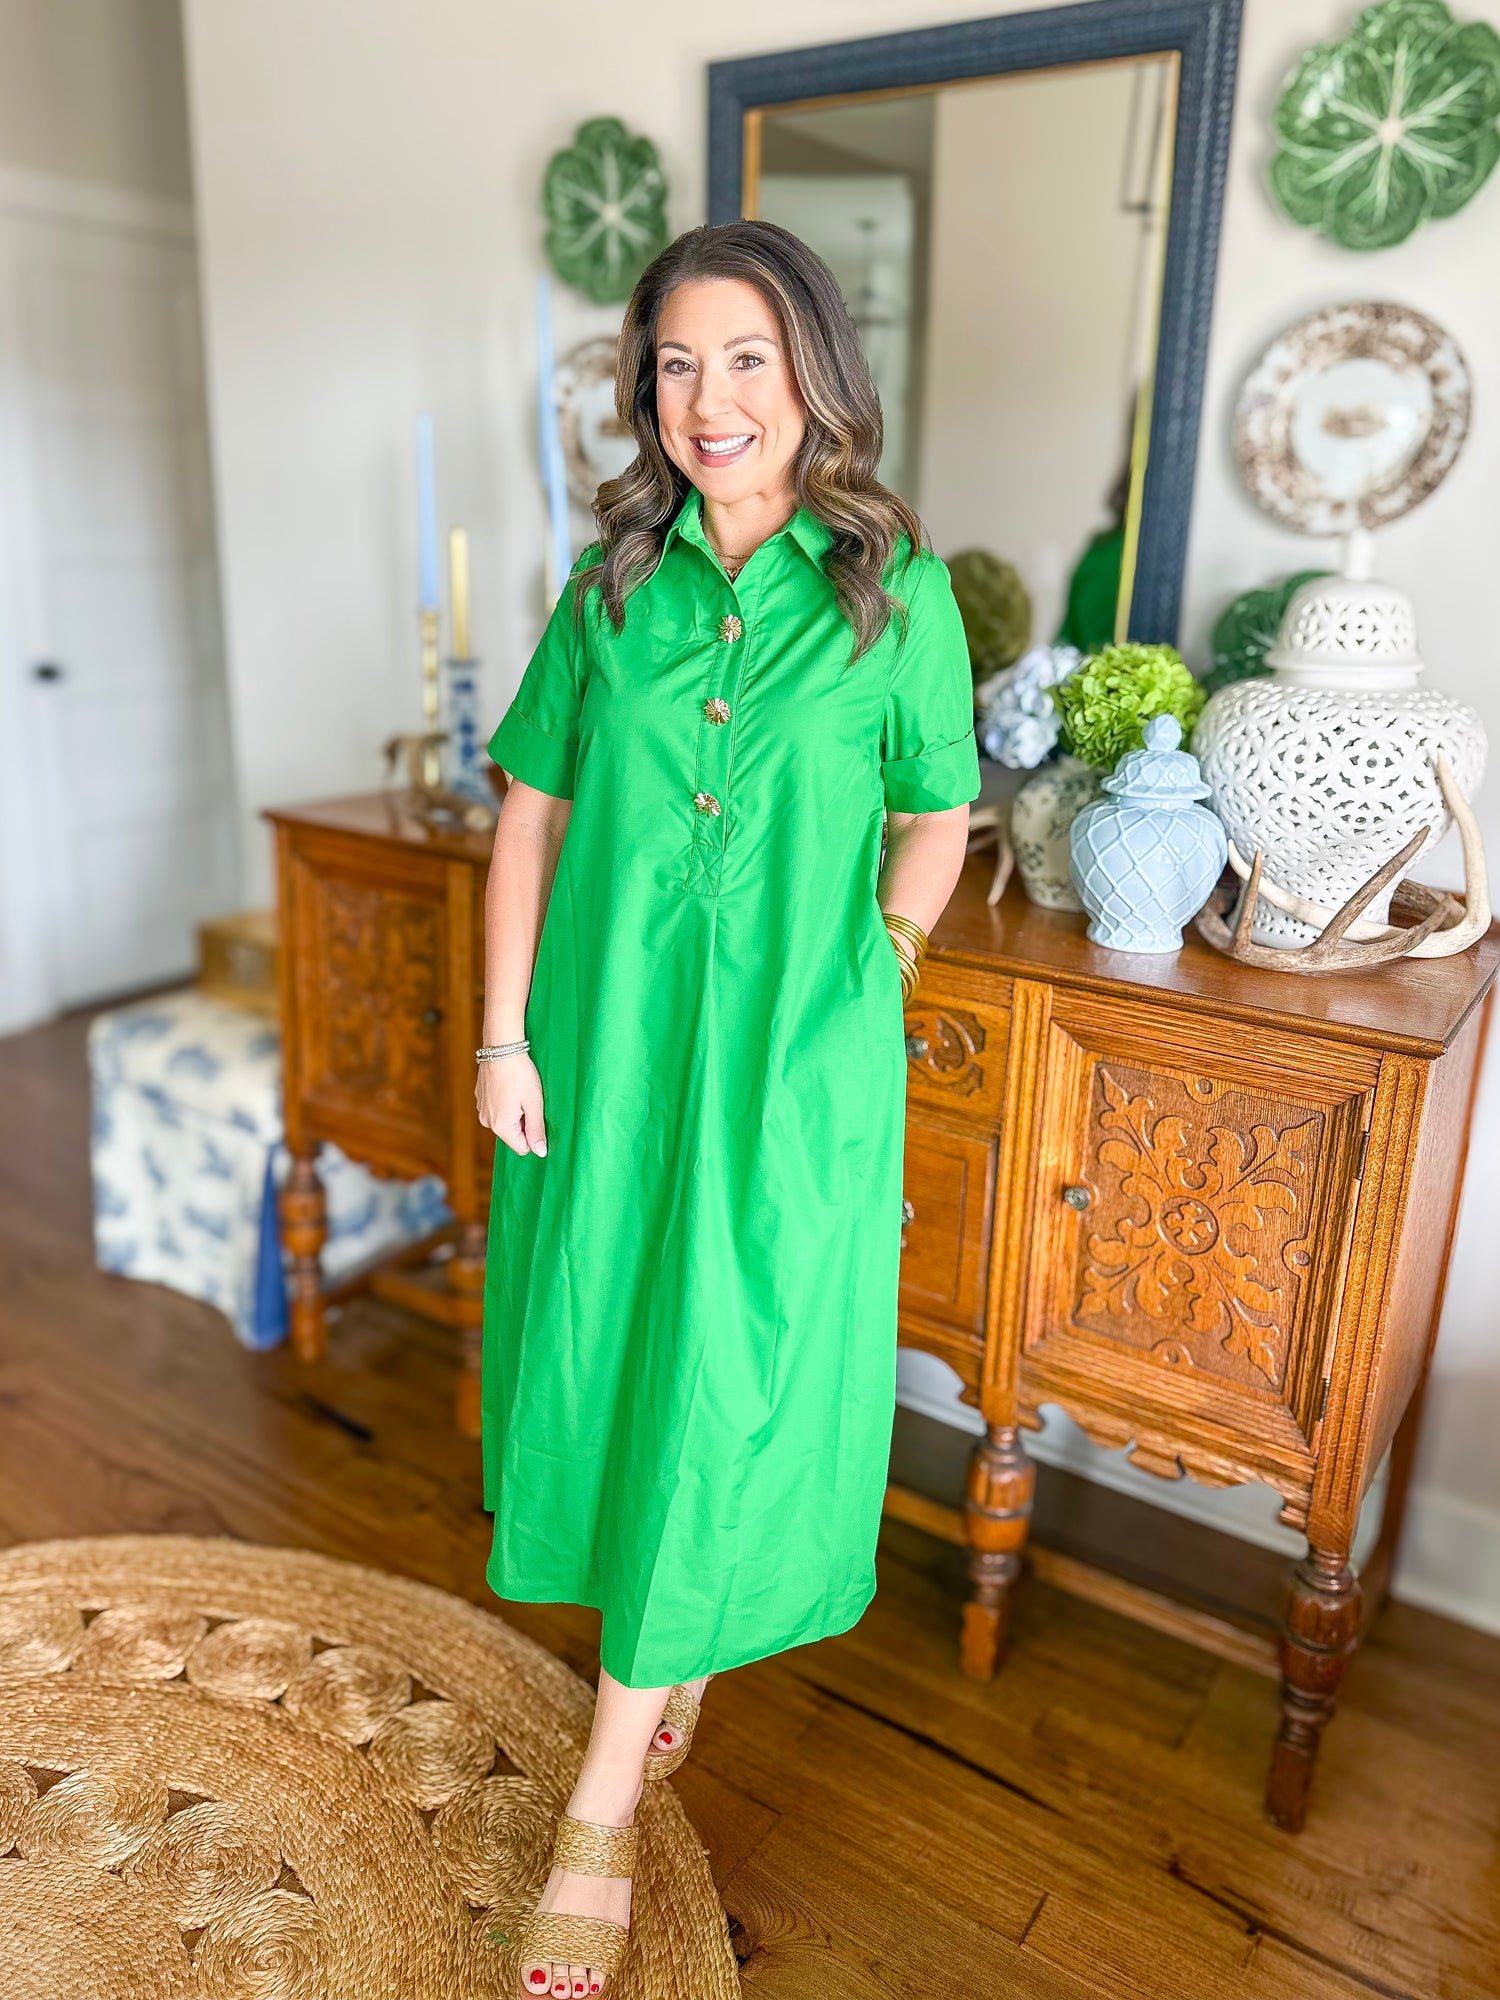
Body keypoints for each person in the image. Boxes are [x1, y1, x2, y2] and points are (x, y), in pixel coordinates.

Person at [477, 219, 979, 1999]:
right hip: (607, 1050)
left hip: (791, 1065)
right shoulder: (608, 590)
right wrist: (502, 1042)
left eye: (746, 359)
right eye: (677, 364)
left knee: (732, 1367)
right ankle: (667, 1654)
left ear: (811, 374)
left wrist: (880, 971)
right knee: (630, 1351)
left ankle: (599, 1813)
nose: (709, 399)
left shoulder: (894, 591)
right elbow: (528, 819)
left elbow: (937, 812)